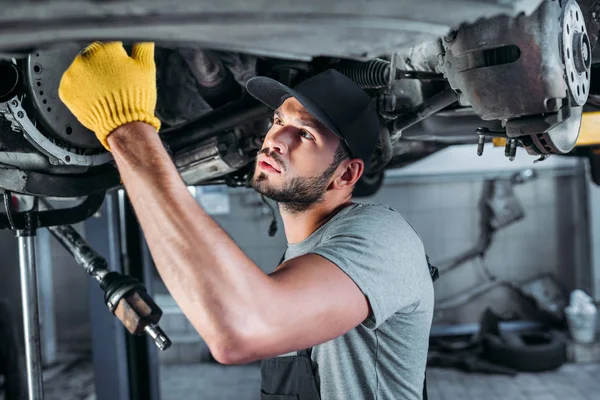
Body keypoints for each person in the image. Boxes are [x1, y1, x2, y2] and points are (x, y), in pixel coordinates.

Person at [58, 42, 435, 400]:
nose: (274, 139)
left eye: (304, 133)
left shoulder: (383, 237)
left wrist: (127, 129)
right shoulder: (302, 262)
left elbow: (241, 329)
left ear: (346, 176)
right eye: (277, 120)